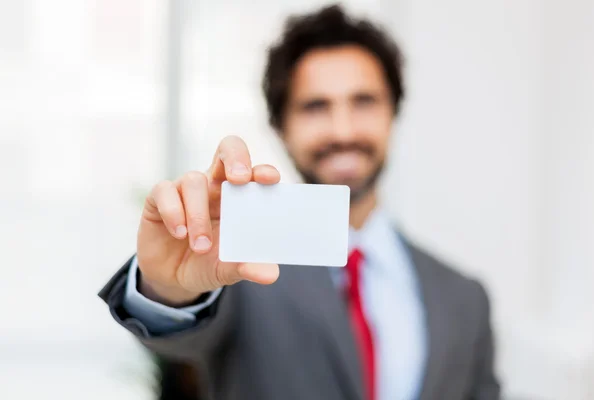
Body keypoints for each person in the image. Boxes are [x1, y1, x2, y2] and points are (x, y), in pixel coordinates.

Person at [99, 4, 500, 400]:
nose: (342, 130)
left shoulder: (465, 299)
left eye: (363, 102)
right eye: (315, 106)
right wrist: (166, 290)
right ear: (280, 126)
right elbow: (179, 338)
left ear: (393, 113)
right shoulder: (237, 269)